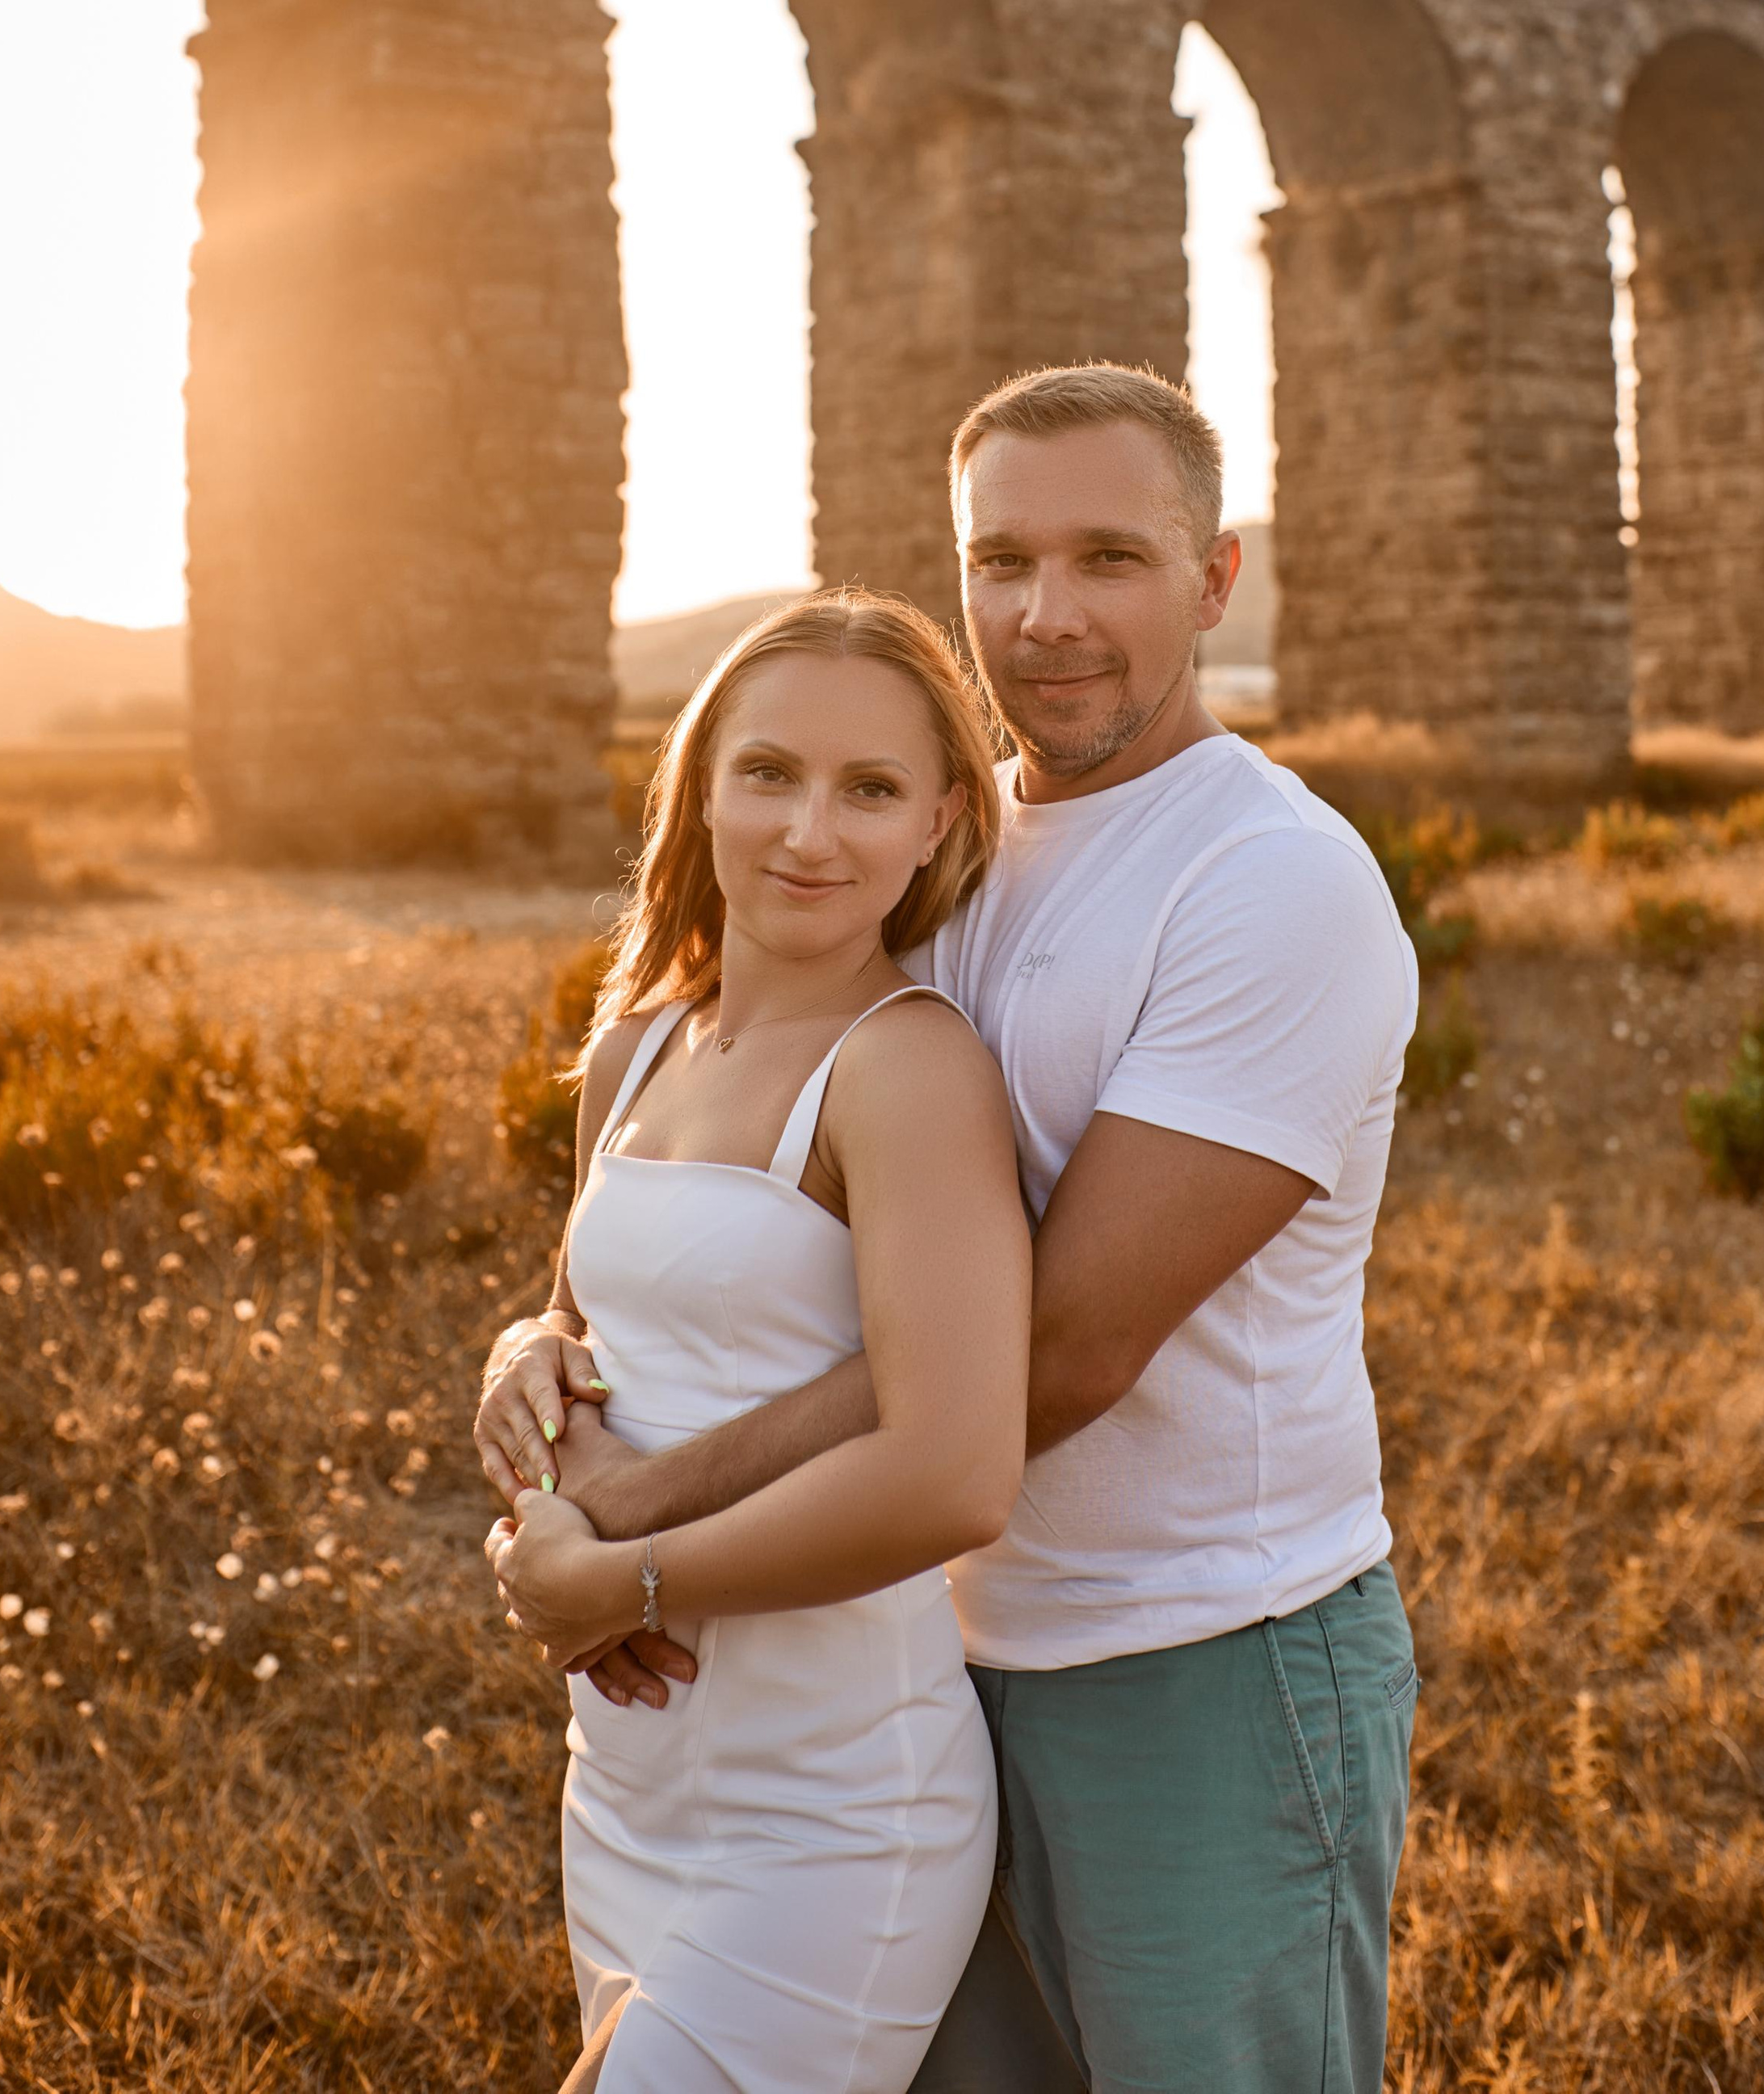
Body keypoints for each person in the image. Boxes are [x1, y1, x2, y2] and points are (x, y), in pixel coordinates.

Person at [489, 362, 1421, 2094]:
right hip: (912, 1647)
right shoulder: (946, 840)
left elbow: (1046, 1351)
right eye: (1000, 561)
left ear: (1216, 578)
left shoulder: (1269, 879)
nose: (1044, 616)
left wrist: (631, 1524)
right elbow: (771, 1205)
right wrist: (547, 1349)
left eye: (1108, 561)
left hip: (1192, 1654)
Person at [476, 591, 1031, 2094]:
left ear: (938, 826)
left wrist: (625, 1577)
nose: (810, 832)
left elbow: (955, 1473)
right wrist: (521, 1356)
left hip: (833, 1805)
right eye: (770, 773)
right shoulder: (636, 1043)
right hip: (631, 1783)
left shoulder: (910, 1070)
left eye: (871, 790)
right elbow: (598, 1323)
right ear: (701, 784)